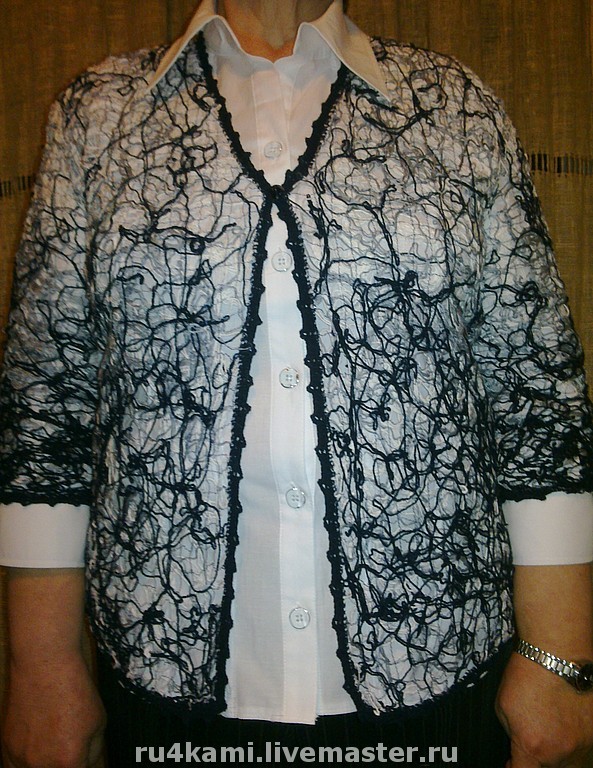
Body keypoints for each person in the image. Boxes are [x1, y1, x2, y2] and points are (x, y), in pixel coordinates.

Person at [1, 1, 593, 766]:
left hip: (438, 676)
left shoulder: (451, 105)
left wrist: (560, 655)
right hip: (165, 685)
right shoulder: (98, 115)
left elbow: (534, 388)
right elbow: (46, 397)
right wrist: (41, 660)